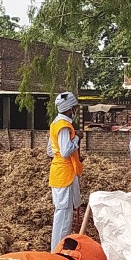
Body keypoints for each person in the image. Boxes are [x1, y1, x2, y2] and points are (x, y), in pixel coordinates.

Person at [48, 92, 83, 250]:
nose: (74, 111)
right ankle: (58, 251)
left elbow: (50, 151)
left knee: (64, 214)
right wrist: (77, 138)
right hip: (64, 174)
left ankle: (59, 249)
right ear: (69, 109)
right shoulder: (63, 126)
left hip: (62, 172)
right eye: (74, 108)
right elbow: (65, 151)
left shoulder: (55, 123)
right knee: (63, 217)